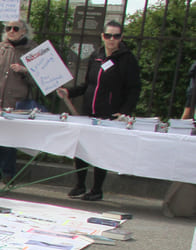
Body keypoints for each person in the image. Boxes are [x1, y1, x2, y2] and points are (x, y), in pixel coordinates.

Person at [59, 20, 140, 201]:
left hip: (108, 113)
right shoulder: (97, 55)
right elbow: (88, 84)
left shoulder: (127, 59)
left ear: (121, 38)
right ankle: (80, 184)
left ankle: (97, 189)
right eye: (108, 35)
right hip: (89, 111)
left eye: (116, 36)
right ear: (102, 36)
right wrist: (69, 91)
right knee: (81, 147)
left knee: (100, 151)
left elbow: (134, 88)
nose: (111, 39)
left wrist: (124, 111)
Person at [0, 17, 37, 180]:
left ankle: (7, 172)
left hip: (15, 100)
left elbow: (37, 80)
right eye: (8, 28)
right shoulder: (0, 47)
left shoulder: (31, 50)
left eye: (15, 29)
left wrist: (24, 71)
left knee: (9, 138)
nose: (11, 32)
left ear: (24, 31)